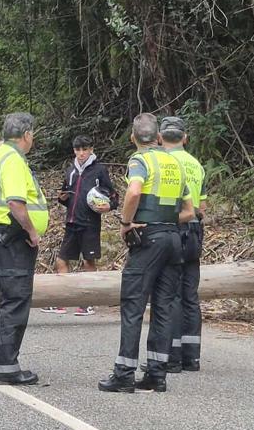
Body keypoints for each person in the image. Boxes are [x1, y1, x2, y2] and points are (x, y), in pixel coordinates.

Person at [98, 113, 194, 394]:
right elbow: (189, 212)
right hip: (173, 239)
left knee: (133, 305)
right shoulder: (175, 164)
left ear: (133, 138)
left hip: (148, 239)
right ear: (159, 137)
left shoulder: (139, 160)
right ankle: (156, 374)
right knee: (164, 307)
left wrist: (127, 223)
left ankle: (124, 374)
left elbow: (134, 192)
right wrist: (165, 220)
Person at [0, 112, 50, 385]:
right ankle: (7, 366)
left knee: (8, 300)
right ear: (26, 135)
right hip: (13, 238)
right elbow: (15, 203)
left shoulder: (0, 155)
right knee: (16, 300)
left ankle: (1, 361)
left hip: (2, 237)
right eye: (33, 134)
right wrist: (32, 232)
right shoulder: (11, 160)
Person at [43, 135, 118, 315]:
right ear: (74, 151)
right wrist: (62, 199)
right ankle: (61, 301)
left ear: (91, 149)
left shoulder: (99, 170)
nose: (81, 153)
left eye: (85, 149)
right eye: (78, 150)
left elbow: (113, 196)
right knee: (61, 260)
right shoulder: (70, 171)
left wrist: (110, 206)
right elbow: (66, 195)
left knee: (88, 261)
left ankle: (88, 302)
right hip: (71, 222)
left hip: (90, 223)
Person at [159, 116, 206, 373]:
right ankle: (192, 357)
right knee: (190, 295)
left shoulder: (163, 163)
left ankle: (172, 355)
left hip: (172, 228)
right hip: (195, 231)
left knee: (170, 294)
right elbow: (203, 206)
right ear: (185, 138)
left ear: (160, 137)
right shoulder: (196, 165)